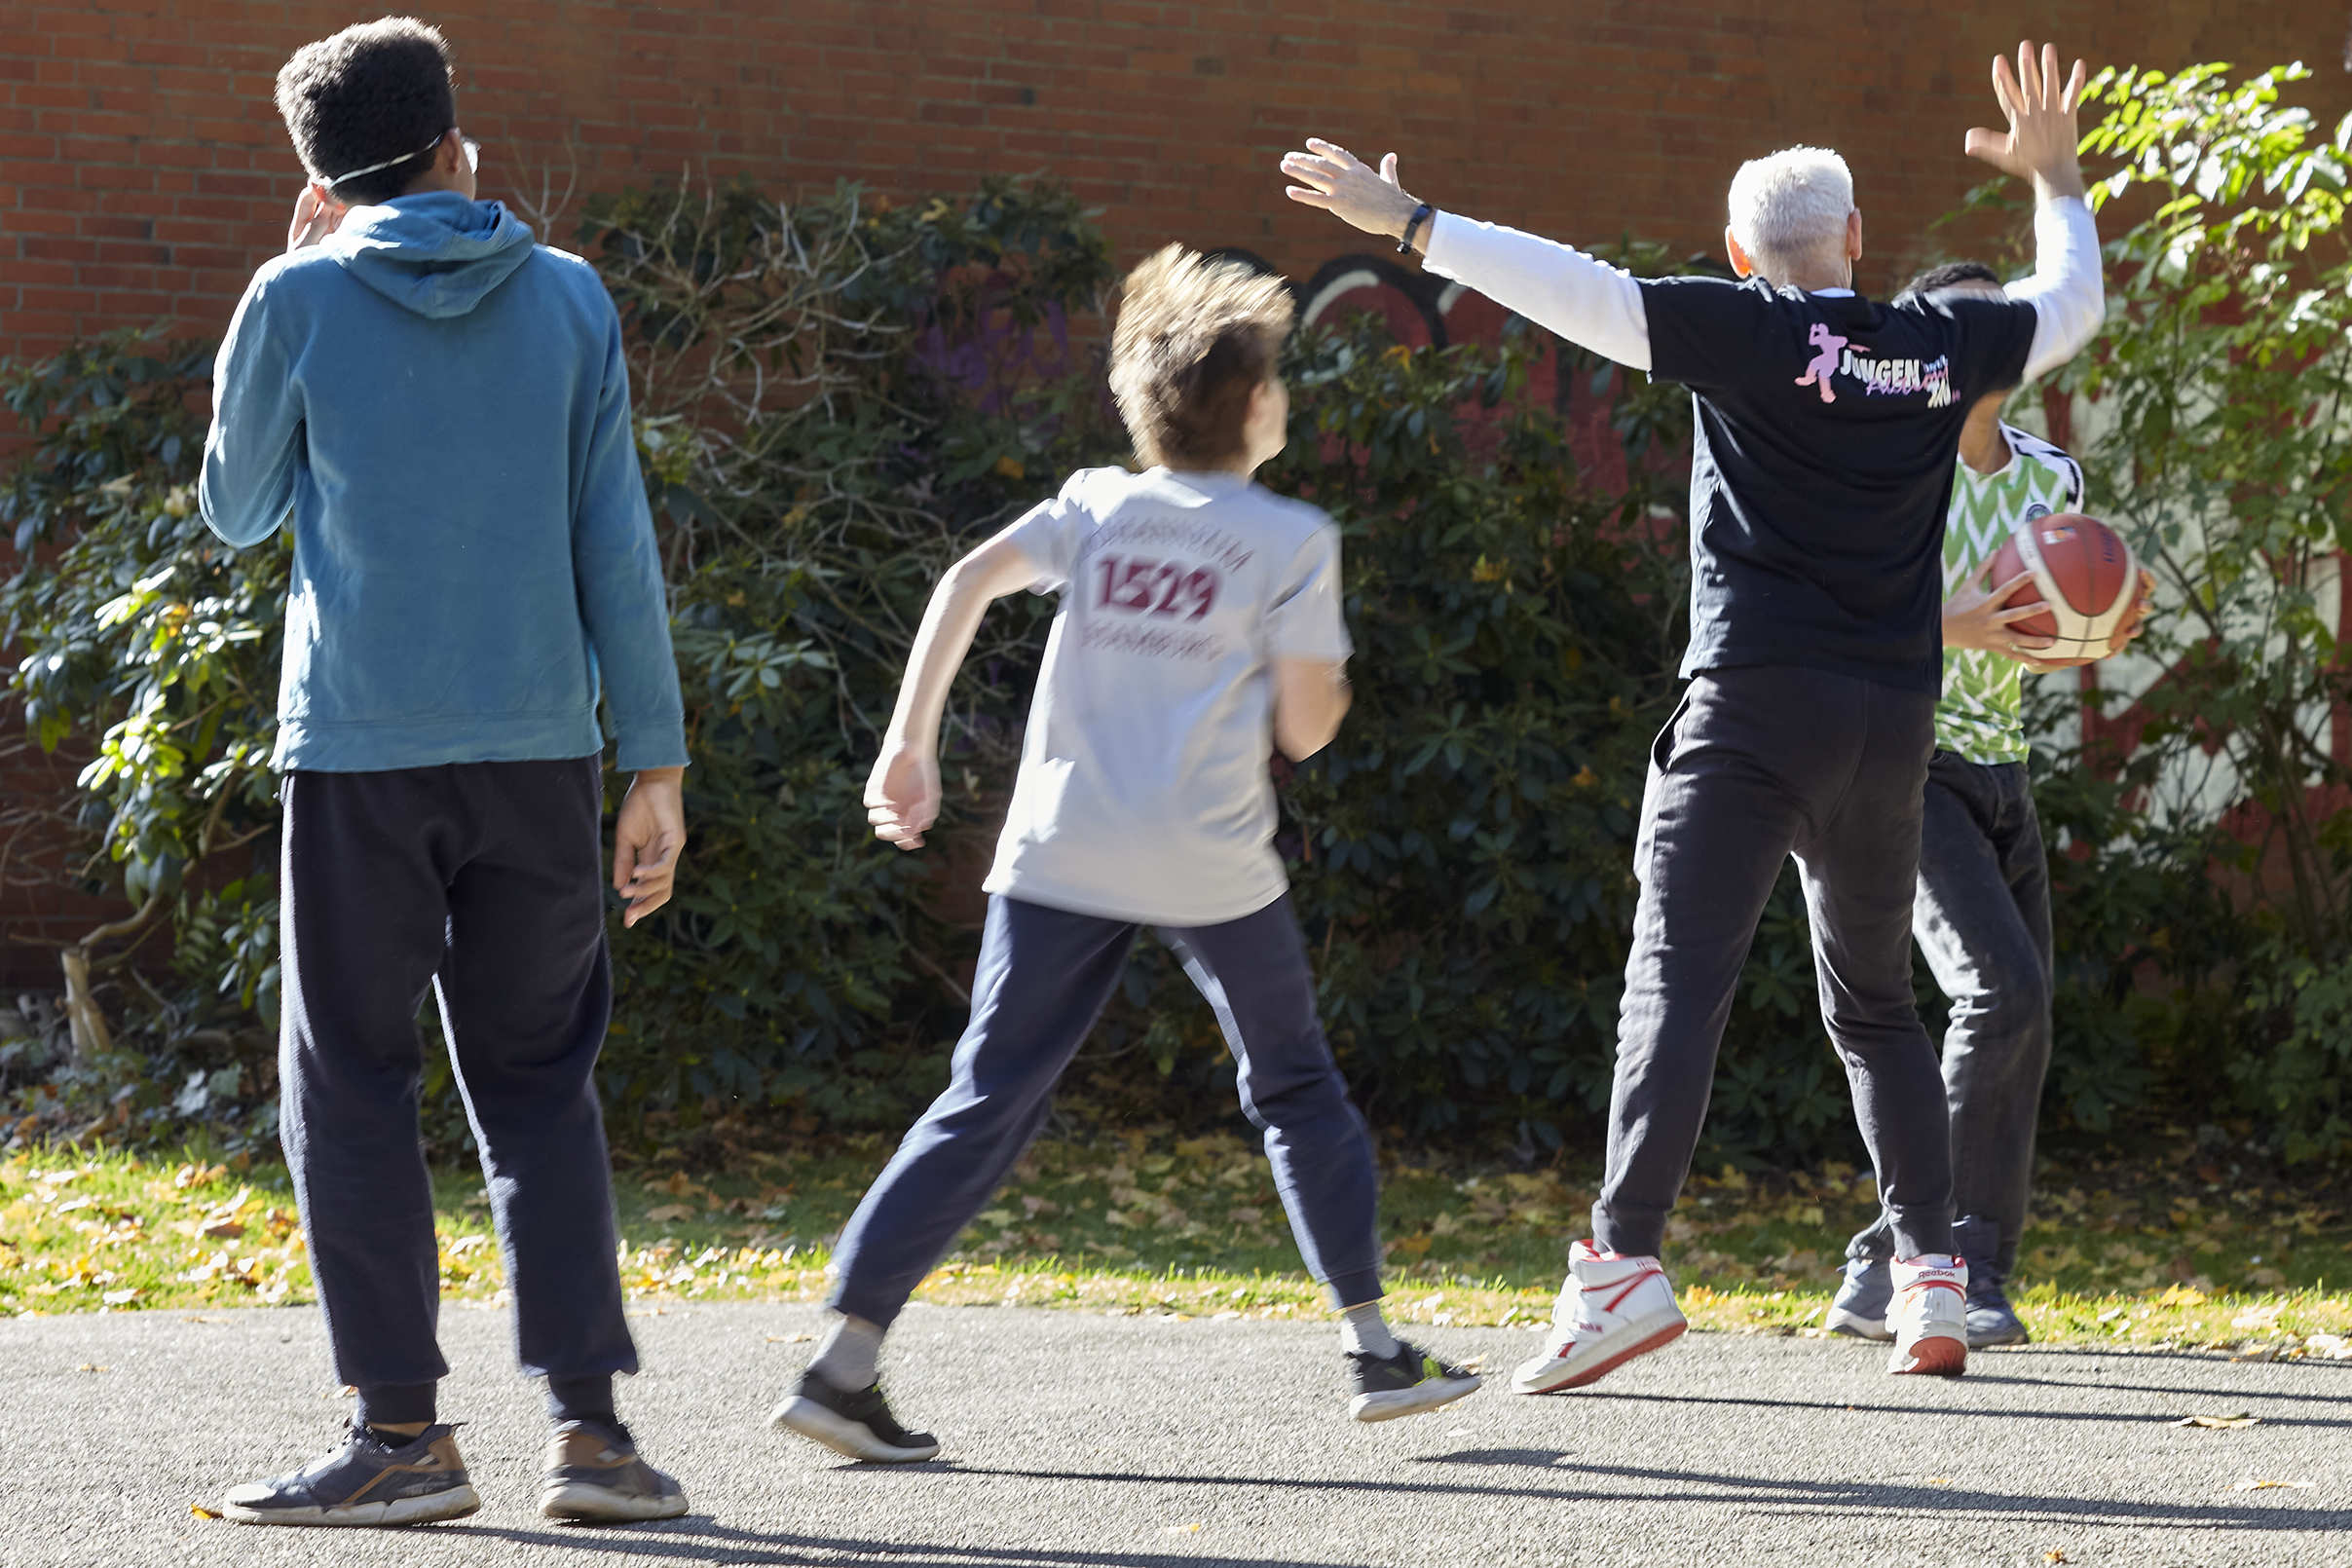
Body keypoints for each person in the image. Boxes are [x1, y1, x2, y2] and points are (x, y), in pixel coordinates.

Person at [1280, 41, 2104, 1384]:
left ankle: (1618, 1265)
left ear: (1735, 250)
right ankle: (1932, 1277)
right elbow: (2065, 303)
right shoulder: (1933, 345)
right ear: (1854, 235)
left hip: (1752, 707)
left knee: (1675, 977)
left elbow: (1573, 290)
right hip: (1888, 724)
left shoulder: (1742, 328)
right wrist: (2055, 178)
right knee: (1879, 1006)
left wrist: (1414, 225)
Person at [769, 244, 1481, 1465]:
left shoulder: (1096, 503)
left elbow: (965, 580)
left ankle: (842, 1366)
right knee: (1296, 1086)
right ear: (1257, 405)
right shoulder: (1290, 536)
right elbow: (1306, 728)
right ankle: (1373, 1343)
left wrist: (908, 745)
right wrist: (1312, 678)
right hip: (1209, 861)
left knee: (985, 1097)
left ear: (1143, 405)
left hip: (1062, 849)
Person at [199, 18, 690, 1526]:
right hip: (542, 753)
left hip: (358, 750)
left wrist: (282, 279)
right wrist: (653, 761)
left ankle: (401, 1434)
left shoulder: (297, 293)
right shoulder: (568, 299)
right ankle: (593, 1439)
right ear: (454, 143)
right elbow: (614, 534)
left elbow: (235, 505)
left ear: (323, 178)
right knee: (542, 1081)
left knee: (347, 1079)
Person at [1822, 261, 2151, 1351]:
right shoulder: (1886, 470)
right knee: (1997, 990)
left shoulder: (2051, 474)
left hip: (2003, 771)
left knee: (2028, 1007)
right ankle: (1918, 1257)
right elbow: (1836, 618)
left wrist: (2096, 622)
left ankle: (1961, 1268)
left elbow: (2051, 612)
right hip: (1906, 763)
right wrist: (1952, 628)